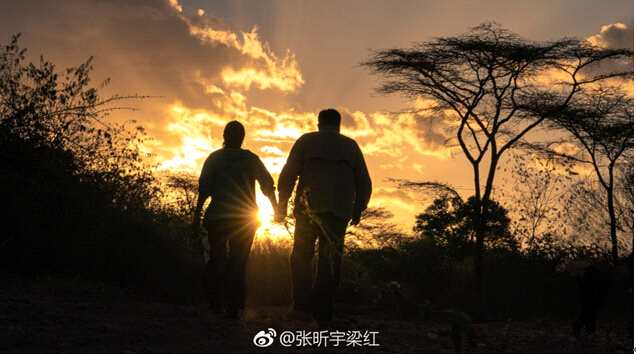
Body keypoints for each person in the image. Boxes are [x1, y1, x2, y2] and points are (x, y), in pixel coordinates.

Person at [276, 108, 372, 322]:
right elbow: (364, 181)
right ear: (338, 125)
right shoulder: (351, 146)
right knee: (330, 260)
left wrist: (282, 204)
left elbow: (288, 175)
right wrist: (358, 208)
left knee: (301, 257)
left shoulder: (305, 141)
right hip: (338, 213)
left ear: (319, 123)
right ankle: (324, 310)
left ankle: (301, 307)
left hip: (308, 211)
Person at [193, 120, 277, 319]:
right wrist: (276, 209)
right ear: (242, 138)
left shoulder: (214, 159)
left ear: (224, 135)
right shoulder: (251, 159)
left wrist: (196, 216)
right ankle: (234, 306)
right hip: (245, 220)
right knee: (238, 262)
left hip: (218, 218)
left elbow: (204, 190)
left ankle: (216, 304)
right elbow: (268, 185)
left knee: (216, 258)